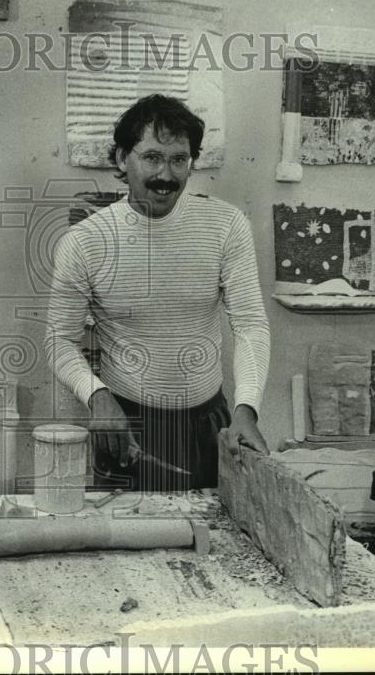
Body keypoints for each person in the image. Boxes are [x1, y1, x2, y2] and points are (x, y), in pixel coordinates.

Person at [45, 94, 271, 491]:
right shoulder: (84, 242)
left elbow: (250, 324)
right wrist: (97, 396)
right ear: (121, 159)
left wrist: (247, 408)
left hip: (209, 423)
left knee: (216, 544)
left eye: (178, 160)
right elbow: (59, 340)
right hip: (127, 425)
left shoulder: (226, 225)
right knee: (128, 547)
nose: (166, 174)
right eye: (151, 157)